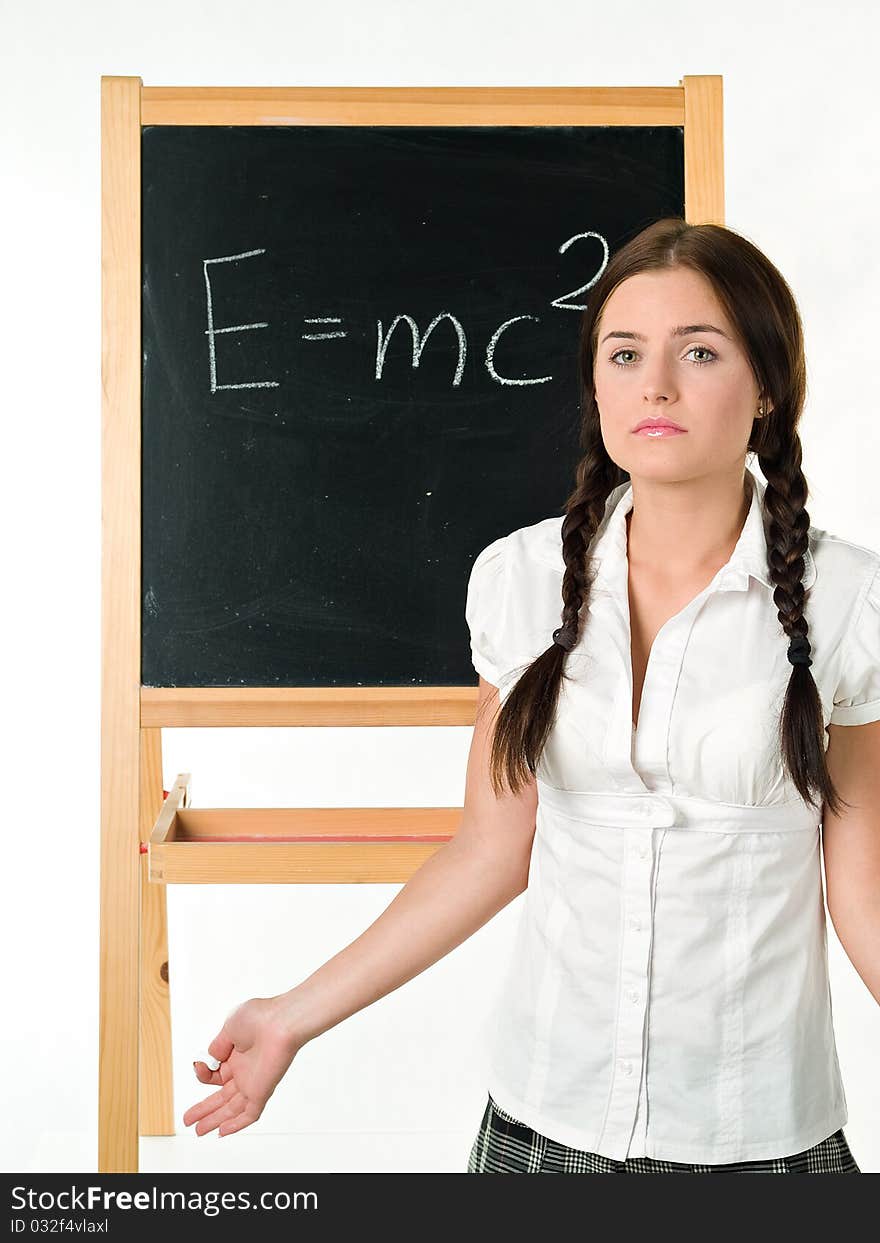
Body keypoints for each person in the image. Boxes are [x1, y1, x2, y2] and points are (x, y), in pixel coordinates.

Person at [182, 217, 878, 1173]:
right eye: (625, 353)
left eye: (700, 351)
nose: (657, 385)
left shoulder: (848, 601)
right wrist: (291, 1016)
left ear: (765, 385)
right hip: (540, 1133)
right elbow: (488, 851)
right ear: (596, 383)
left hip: (760, 1140)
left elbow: (865, 895)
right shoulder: (518, 582)